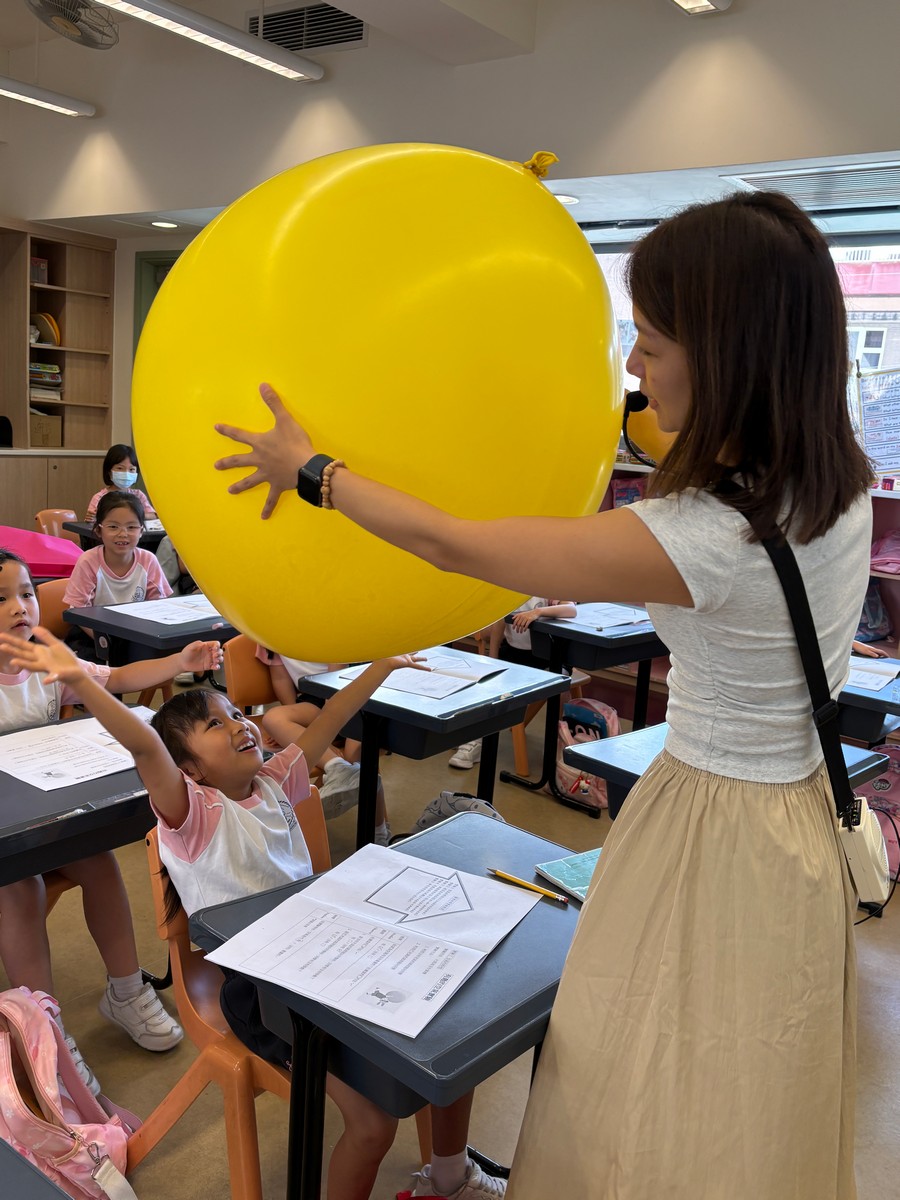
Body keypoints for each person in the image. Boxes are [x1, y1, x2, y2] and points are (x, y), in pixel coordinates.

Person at [213, 191, 873, 1200]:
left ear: (729, 356)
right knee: (748, 1078)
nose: (635, 369)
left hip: (713, 829)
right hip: (796, 821)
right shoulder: (837, 485)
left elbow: (455, 545)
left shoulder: (707, 535)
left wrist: (313, 471)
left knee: (645, 1075)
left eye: (653, 344)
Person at [5, 627, 508, 1200]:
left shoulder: (273, 780)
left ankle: (448, 1178)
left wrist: (381, 667)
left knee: (450, 1039)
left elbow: (330, 719)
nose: (239, 725)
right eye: (214, 725)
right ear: (190, 769)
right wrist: (80, 680)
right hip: (259, 992)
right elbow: (145, 748)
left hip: (327, 956)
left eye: (236, 714)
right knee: (373, 1125)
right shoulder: (192, 813)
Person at [0, 549, 222, 1094]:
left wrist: (178, 662)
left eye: (26, 593)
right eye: (1, 598)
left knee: (99, 861)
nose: (19, 607)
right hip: (6, 839)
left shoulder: (48, 665)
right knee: (22, 888)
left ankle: (125, 991)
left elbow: (118, 676)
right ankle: (44, 1031)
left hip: (46, 812)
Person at [253, 643, 376, 831]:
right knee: (274, 718)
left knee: (358, 757)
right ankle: (338, 767)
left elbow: (336, 678)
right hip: (316, 699)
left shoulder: (327, 629)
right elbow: (280, 678)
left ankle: (379, 831)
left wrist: (322, 731)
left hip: (352, 694)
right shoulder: (268, 637)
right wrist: (293, 726)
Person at [449, 599, 576, 770]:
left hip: (549, 656)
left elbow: (571, 609)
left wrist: (538, 612)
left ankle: (562, 744)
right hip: (514, 653)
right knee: (485, 684)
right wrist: (492, 659)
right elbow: (498, 625)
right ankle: (476, 740)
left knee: (561, 689)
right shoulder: (512, 590)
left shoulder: (551, 589)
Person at [65, 491, 171, 611]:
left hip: (137, 623)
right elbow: (79, 611)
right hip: (94, 623)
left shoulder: (148, 560)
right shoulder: (88, 561)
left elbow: (159, 607)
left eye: (131, 527)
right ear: (99, 530)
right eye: (113, 527)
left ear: (141, 531)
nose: (123, 534)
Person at [86, 443, 157, 519]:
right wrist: (91, 518)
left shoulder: (138, 495)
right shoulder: (99, 498)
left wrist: (133, 515)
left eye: (131, 469)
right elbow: (91, 520)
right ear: (109, 471)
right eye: (120, 468)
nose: (126, 473)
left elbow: (153, 515)